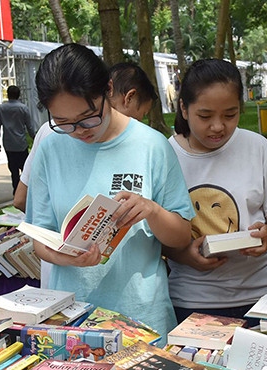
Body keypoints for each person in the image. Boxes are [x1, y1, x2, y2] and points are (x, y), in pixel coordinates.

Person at [25, 43, 193, 337]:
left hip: (141, 318)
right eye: (63, 122)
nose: (80, 130)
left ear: (109, 89)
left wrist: (152, 211)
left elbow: (181, 237)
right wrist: (65, 257)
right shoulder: (50, 148)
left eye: (89, 116)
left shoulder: (152, 146)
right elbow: (40, 237)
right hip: (72, 318)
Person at [164, 59, 267, 325]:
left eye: (230, 115)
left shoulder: (258, 147)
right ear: (184, 109)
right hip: (193, 300)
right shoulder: (166, 155)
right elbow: (158, 232)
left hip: (264, 295)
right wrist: (185, 256)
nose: (218, 126)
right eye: (205, 116)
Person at [13, 62, 159, 212]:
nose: (79, 131)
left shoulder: (149, 145)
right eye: (142, 115)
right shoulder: (52, 137)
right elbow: (22, 199)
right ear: (129, 98)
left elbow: (21, 199)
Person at [0, 85, 36, 194]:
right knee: (25, 168)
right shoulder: (23, 108)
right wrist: (35, 139)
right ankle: (26, 191)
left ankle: (16, 191)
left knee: (13, 169)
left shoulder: (2, 108)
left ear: (8, 95)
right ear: (19, 95)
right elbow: (29, 126)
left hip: (8, 144)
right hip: (21, 143)